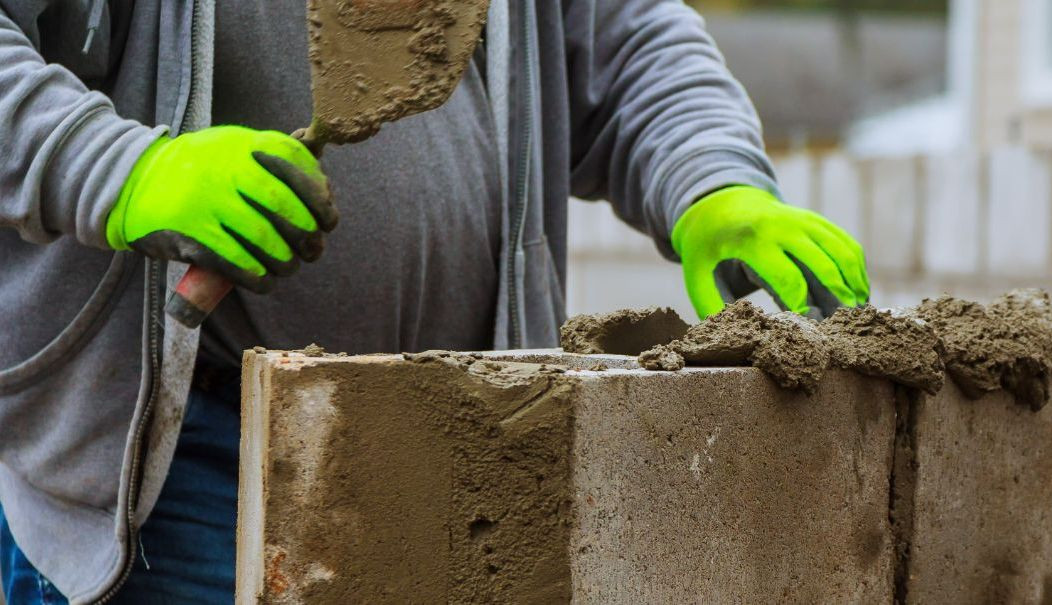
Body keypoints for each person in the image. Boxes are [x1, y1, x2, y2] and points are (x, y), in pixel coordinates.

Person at [0, 0, 870, 602]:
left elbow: (627, 37)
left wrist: (713, 183)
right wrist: (122, 170)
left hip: (461, 445)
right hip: (181, 458)